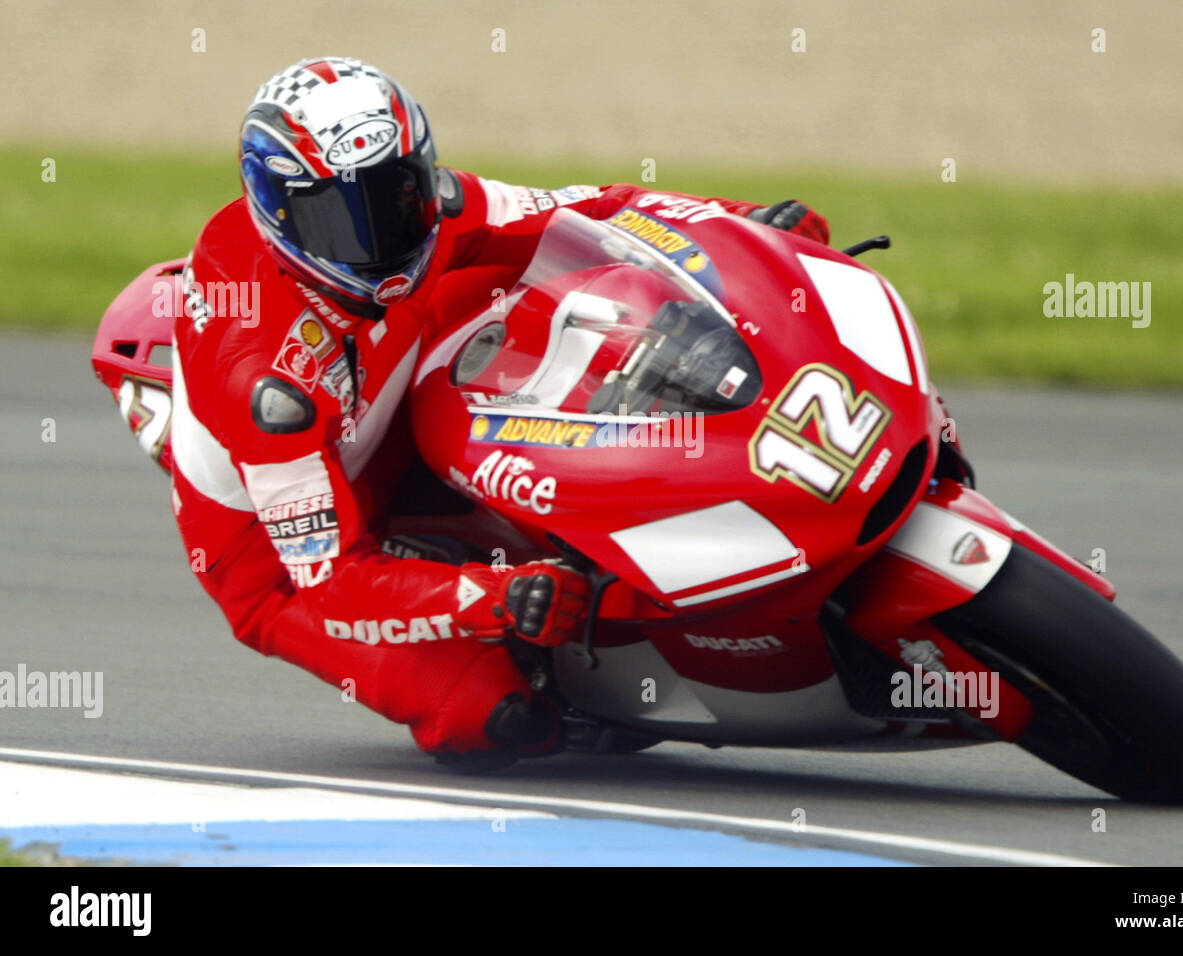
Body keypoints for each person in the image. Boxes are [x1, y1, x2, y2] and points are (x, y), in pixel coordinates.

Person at [169, 56, 831, 770]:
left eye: (397, 195)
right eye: (340, 219)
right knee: (494, 721)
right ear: (280, 214)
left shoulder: (436, 215)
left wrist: (745, 227)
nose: (384, 237)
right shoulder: (269, 390)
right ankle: (569, 682)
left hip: (389, 377)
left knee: (559, 266)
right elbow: (327, 582)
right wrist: (498, 596)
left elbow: (593, 211)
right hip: (278, 562)